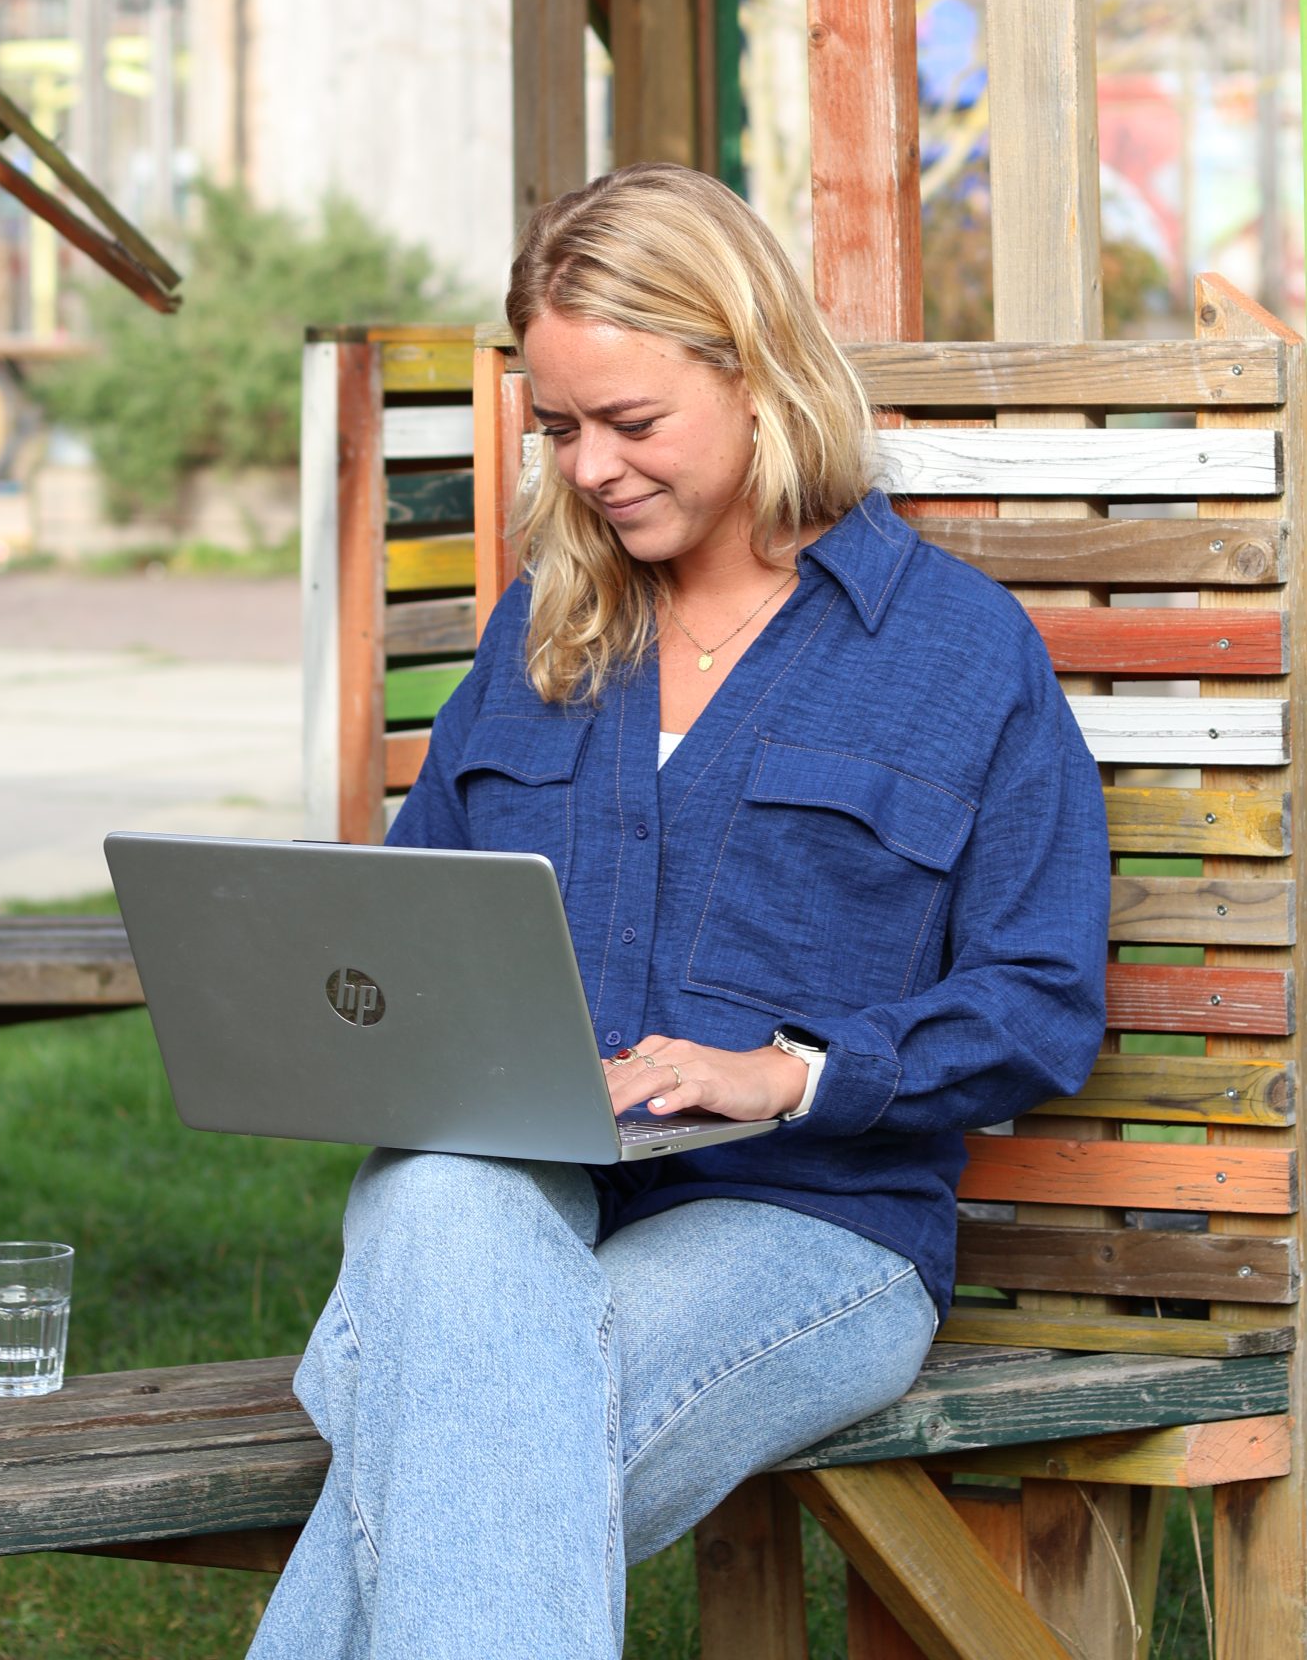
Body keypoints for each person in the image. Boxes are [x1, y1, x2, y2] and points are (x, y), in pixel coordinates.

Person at [248, 164, 1109, 1660]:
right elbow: (417, 933)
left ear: (758, 375)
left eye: (630, 424)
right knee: (447, 1216)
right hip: (509, 1202)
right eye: (561, 427)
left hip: (809, 1223)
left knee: (472, 1418)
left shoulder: (953, 652)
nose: (587, 470)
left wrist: (785, 1073)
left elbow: (1038, 997)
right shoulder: (542, 634)